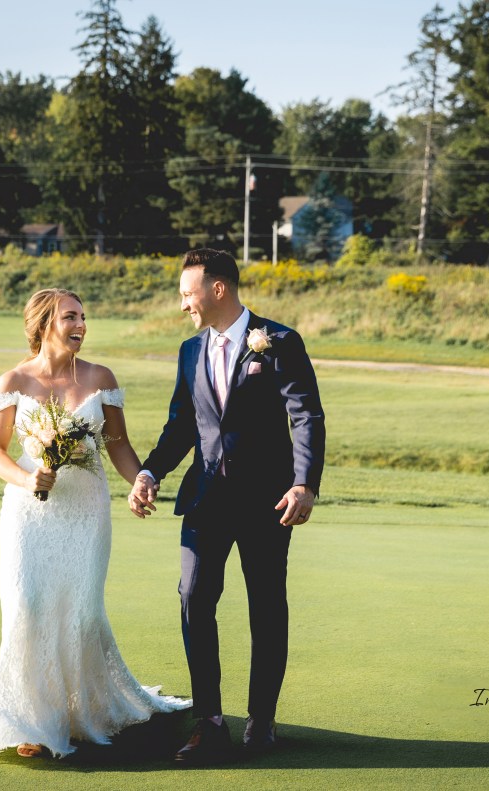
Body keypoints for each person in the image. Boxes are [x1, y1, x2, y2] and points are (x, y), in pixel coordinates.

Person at [128, 249, 326, 764]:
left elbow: (305, 416)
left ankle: (261, 718)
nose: (182, 305)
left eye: (187, 293)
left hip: (269, 500)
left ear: (218, 289)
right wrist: (150, 472)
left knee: (266, 604)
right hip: (205, 498)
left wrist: (304, 484)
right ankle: (209, 721)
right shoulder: (189, 350)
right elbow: (181, 425)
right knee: (193, 594)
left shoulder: (278, 342)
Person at [0, 288, 189, 760]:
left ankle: (79, 713)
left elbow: (117, 444)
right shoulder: (13, 380)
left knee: (81, 611)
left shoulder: (100, 378)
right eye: (70, 317)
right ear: (43, 323)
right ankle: (32, 721)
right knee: (27, 605)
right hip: (29, 511)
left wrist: (140, 479)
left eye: (83, 317)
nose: (81, 325)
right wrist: (27, 477)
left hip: (86, 510)